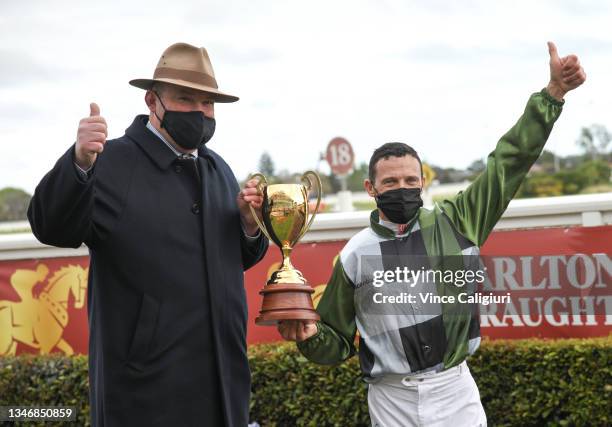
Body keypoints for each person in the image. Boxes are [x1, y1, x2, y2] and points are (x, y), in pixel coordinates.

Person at [278, 42, 586, 426]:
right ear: (370, 188)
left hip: (454, 391)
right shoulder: (354, 255)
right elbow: (336, 343)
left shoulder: (460, 220)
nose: (402, 187)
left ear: (423, 181)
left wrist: (552, 95)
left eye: (410, 179)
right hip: (391, 399)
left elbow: (508, 163)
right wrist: (308, 334)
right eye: (390, 182)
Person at [28, 42, 268, 427]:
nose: (201, 112)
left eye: (208, 103)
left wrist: (249, 225)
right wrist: (78, 161)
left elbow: (235, 260)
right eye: (187, 99)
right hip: (146, 392)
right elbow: (50, 226)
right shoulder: (111, 162)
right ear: (152, 101)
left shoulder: (218, 169)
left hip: (224, 384)